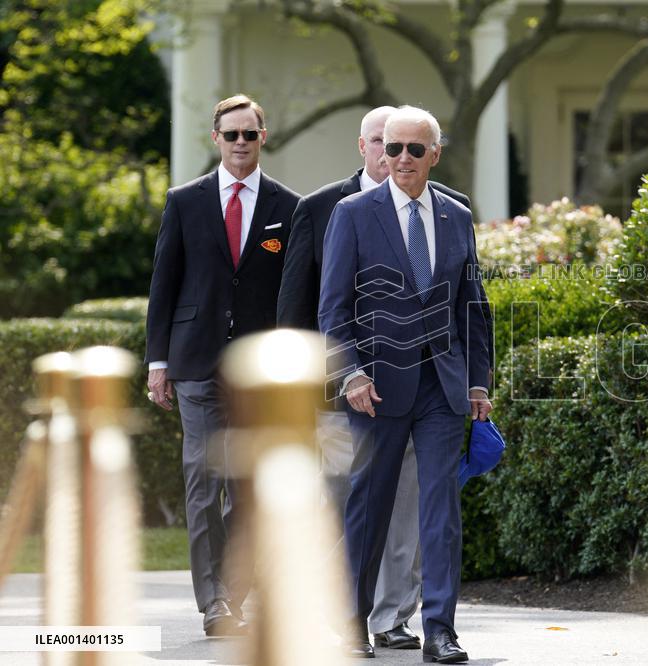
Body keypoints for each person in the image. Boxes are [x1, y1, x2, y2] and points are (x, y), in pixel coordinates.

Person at [277, 105, 472, 650]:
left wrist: (477, 381)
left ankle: (440, 630)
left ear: (434, 154)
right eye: (393, 147)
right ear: (378, 150)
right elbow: (333, 307)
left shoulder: (457, 214)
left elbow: (470, 306)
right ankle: (350, 622)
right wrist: (350, 375)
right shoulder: (352, 213)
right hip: (375, 387)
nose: (402, 158)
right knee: (368, 506)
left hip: (441, 387)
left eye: (415, 149)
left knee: (440, 510)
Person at [144, 94, 300, 637]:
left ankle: (233, 593)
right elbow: (164, 284)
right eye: (230, 134)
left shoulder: (289, 206)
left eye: (249, 134)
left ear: (263, 138)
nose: (239, 143)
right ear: (216, 139)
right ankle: (213, 601)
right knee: (203, 477)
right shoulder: (184, 201)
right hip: (196, 362)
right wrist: (158, 361)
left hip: (260, 369)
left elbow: (294, 291)